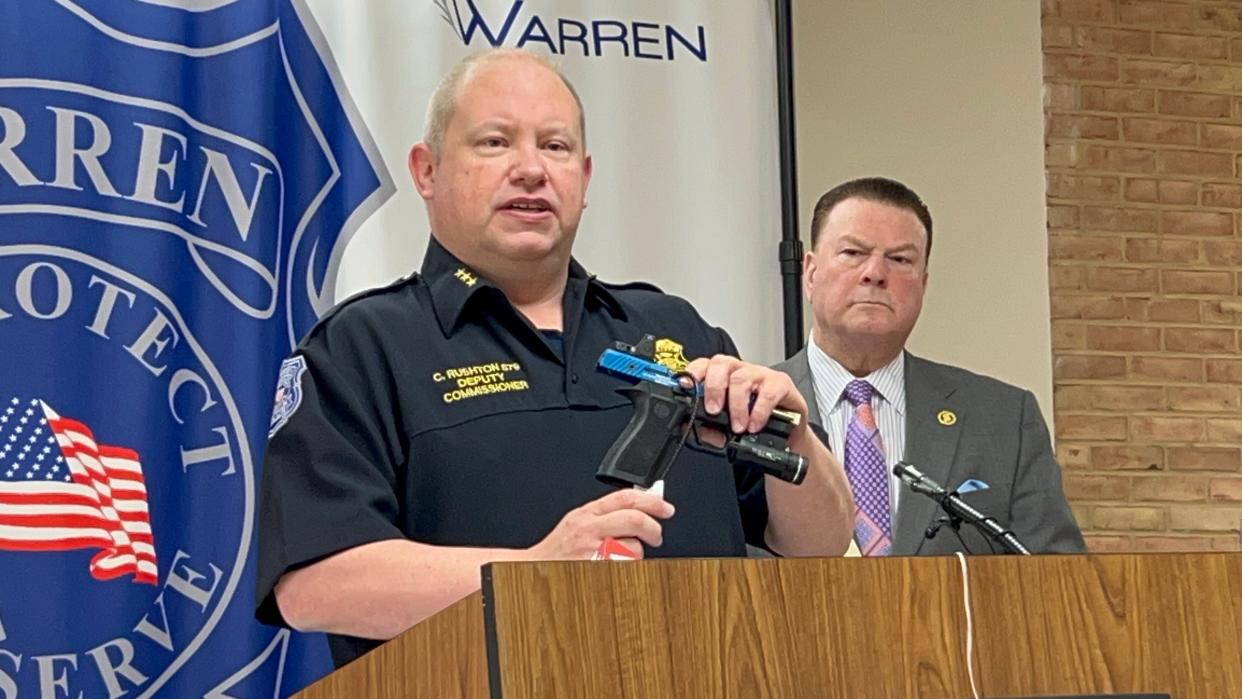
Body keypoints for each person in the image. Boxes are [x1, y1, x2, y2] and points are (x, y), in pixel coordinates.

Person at [255, 48, 853, 667]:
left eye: (556, 147)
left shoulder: (679, 330)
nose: (531, 170)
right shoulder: (364, 346)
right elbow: (313, 584)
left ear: (585, 179)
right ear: (426, 170)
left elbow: (822, 543)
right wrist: (536, 571)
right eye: (494, 142)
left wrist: (796, 436)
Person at [775, 177, 1084, 556]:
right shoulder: (745, 411)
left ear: (922, 283)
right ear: (810, 273)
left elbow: (1059, 579)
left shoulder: (1004, 418)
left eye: (900, 259)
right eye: (853, 253)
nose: (875, 273)